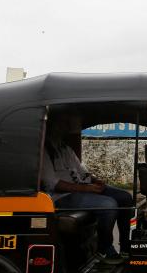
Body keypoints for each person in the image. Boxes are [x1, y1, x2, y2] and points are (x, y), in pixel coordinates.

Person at [41, 113, 134, 264]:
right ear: (52, 126)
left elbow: (82, 171)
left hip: (80, 188)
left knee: (125, 197)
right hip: (62, 197)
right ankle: (104, 249)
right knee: (108, 205)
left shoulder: (65, 149)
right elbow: (53, 184)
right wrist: (87, 189)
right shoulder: (45, 151)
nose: (66, 127)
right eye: (63, 124)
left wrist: (96, 181)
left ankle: (125, 247)